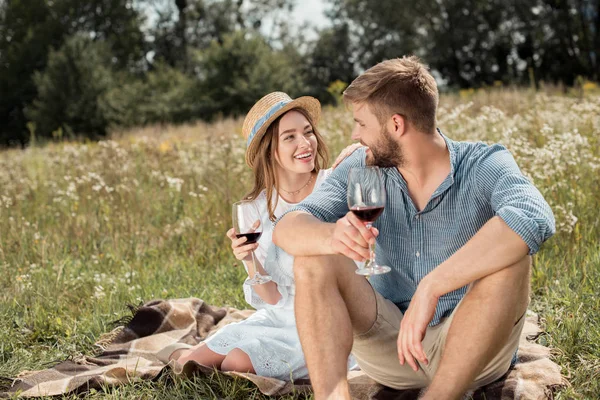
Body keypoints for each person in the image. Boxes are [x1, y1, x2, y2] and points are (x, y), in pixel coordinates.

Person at [273, 56, 556, 399]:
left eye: (361, 123)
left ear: (396, 125)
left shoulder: (484, 163)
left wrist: (432, 286)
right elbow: (287, 227)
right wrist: (331, 236)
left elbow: (533, 215)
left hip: (475, 351)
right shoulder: (361, 168)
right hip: (392, 347)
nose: (354, 134)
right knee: (312, 257)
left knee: (513, 258)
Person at [157, 92, 353, 381]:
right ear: (269, 150)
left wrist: (360, 150)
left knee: (235, 362)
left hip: (327, 316)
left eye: (308, 132)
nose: (305, 143)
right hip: (280, 316)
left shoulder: (333, 183)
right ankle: (180, 352)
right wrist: (249, 259)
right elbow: (272, 298)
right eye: (289, 137)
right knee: (192, 361)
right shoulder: (253, 209)